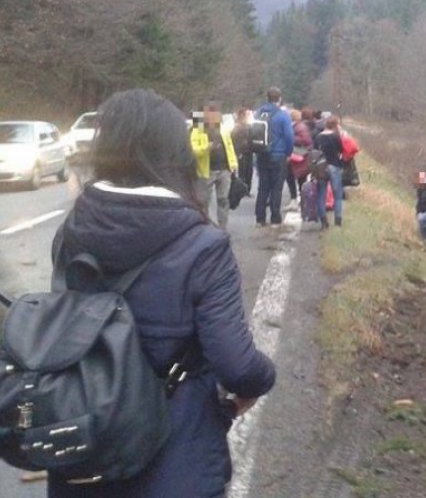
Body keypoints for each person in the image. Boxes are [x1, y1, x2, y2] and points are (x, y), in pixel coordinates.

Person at [48, 88, 275, 498]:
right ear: (175, 155)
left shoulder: (72, 230)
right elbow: (237, 365)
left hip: (83, 452)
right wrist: (263, 379)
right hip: (173, 462)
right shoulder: (202, 244)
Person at [190, 103, 238, 230]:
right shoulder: (198, 129)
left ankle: (223, 228)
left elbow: (229, 146)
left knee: (223, 200)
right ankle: (203, 227)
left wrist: (233, 164)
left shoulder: (222, 128)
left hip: (224, 170)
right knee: (204, 201)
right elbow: (193, 149)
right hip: (206, 171)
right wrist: (207, 148)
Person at [254, 87, 294, 227]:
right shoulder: (283, 115)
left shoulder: (258, 113)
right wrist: (288, 153)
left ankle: (260, 217)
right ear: (280, 98)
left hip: (261, 154)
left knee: (263, 187)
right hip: (278, 155)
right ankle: (275, 218)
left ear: (267, 98)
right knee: (276, 188)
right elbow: (289, 136)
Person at [314, 115, 345, 229]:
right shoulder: (335, 137)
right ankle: (337, 221)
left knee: (321, 194)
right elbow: (341, 150)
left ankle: (323, 221)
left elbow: (315, 152)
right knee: (337, 195)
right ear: (335, 125)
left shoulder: (318, 137)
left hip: (321, 167)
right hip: (334, 166)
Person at [230, 107, 254, 195]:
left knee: (249, 171)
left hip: (249, 151)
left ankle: (247, 189)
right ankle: (242, 190)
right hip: (241, 152)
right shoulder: (237, 127)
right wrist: (237, 152)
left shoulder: (248, 126)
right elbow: (234, 140)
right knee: (243, 172)